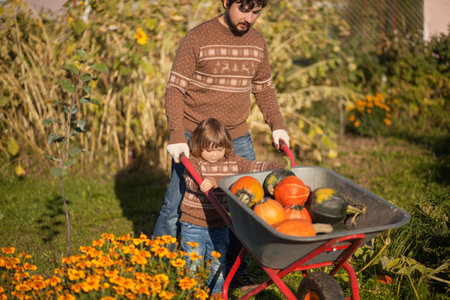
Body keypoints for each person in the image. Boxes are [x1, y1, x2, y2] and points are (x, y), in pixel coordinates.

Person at [153, 0, 290, 289]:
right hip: (196, 138)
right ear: (226, 2)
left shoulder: (256, 42)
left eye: (256, 12)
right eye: (244, 9)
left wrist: (276, 123)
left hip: (236, 137)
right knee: (177, 202)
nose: (249, 19)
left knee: (245, 203)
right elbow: (175, 88)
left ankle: (230, 270)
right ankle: (158, 268)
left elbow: (263, 87)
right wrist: (177, 134)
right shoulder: (197, 37)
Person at [180, 118, 284, 299]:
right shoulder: (194, 160)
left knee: (217, 259)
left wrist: (277, 168)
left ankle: (217, 292)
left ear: (225, 146)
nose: (214, 155)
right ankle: (192, 293)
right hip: (194, 222)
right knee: (193, 259)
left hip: (220, 223)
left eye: (219, 149)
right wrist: (204, 183)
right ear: (199, 146)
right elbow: (190, 179)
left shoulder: (233, 161)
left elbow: (252, 167)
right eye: (209, 150)